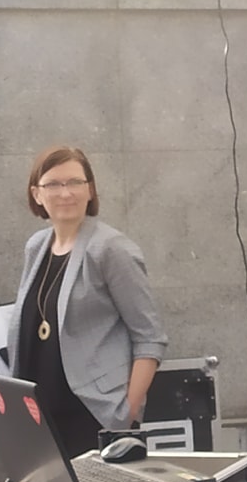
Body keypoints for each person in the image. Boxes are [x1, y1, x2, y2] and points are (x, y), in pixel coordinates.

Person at [9, 145, 167, 457]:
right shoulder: (36, 247)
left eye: (75, 182)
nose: (65, 193)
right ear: (36, 194)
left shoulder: (111, 249)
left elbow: (150, 339)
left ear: (90, 190)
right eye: (53, 184)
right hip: (40, 420)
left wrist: (125, 416)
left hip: (95, 419)